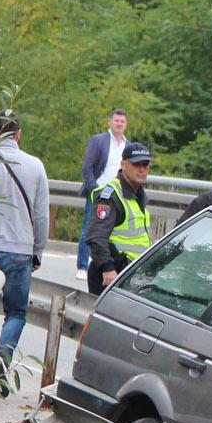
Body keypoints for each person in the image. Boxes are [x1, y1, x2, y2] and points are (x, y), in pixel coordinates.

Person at [0, 111, 50, 374]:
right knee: (16, 313)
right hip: (20, 250)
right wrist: (37, 250)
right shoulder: (36, 166)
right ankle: (3, 355)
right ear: (19, 134)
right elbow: (41, 215)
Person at [84, 142, 154, 295]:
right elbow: (96, 236)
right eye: (136, 164)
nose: (142, 169)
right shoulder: (111, 195)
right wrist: (107, 268)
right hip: (111, 275)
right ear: (123, 164)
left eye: (145, 164)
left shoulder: (139, 195)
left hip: (131, 274)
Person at [78, 109, 129, 277]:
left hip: (117, 197)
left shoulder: (127, 146)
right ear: (110, 122)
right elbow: (87, 167)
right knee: (89, 229)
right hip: (99, 193)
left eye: (122, 121)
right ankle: (82, 266)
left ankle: (104, 264)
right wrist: (94, 190)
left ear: (126, 124)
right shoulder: (99, 140)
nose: (119, 124)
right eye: (116, 120)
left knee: (111, 233)